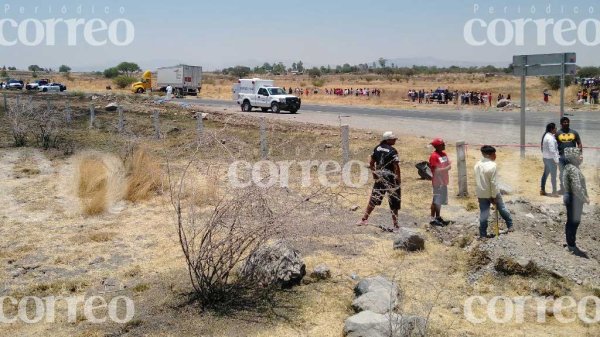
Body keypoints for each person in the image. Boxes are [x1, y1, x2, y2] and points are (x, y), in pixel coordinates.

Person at [358, 131, 402, 229]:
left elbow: (371, 163)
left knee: (374, 199)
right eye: (393, 139)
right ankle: (395, 225)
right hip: (391, 180)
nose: (395, 140)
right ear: (388, 140)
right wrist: (398, 179)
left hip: (380, 179)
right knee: (394, 202)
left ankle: (364, 219)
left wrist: (374, 174)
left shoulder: (377, 148)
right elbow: (396, 166)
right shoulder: (393, 151)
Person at [474, 146, 514, 239]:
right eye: (495, 154)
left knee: (484, 213)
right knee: (502, 209)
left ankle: (483, 234)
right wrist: (493, 196)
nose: (495, 156)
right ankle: (510, 225)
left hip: (481, 193)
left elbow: (477, 180)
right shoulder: (493, 165)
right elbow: (493, 183)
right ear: (491, 154)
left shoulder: (477, 165)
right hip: (493, 193)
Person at [562, 147, 590, 257]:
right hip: (574, 198)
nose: (581, 157)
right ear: (573, 157)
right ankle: (571, 246)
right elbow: (576, 187)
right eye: (579, 155)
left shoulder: (569, 167)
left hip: (571, 197)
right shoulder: (573, 169)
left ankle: (571, 244)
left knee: (571, 221)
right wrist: (585, 198)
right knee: (574, 222)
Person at [556, 117, 583, 193]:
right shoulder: (558, 133)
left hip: (573, 157)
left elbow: (579, 143)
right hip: (561, 157)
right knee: (562, 173)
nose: (566, 123)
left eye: (567, 122)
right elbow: (554, 145)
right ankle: (562, 188)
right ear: (561, 124)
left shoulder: (574, 132)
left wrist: (580, 154)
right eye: (564, 122)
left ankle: (575, 189)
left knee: (575, 172)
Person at [429, 138, 451, 226]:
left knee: (440, 201)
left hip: (444, 181)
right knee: (435, 200)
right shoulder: (434, 156)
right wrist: (446, 168)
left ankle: (438, 217)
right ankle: (432, 219)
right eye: (442, 144)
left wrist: (447, 167)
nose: (444, 145)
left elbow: (448, 164)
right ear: (437, 146)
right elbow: (436, 170)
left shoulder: (444, 154)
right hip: (438, 181)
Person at [540, 123, 560, 196]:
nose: (556, 129)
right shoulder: (550, 138)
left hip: (546, 158)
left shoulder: (546, 136)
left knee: (545, 174)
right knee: (553, 176)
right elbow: (552, 150)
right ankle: (554, 192)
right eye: (555, 128)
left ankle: (542, 189)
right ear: (552, 129)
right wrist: (556, 161)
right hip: (551, 159)